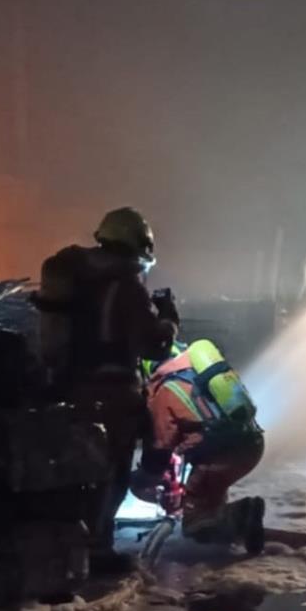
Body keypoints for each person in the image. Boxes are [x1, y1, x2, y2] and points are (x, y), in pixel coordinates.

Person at [37, 207, 178, 570]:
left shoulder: (80, 277)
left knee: (80, 469)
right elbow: (151, 344)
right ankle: (97, 550)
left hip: (72, 386)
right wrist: (167, 320)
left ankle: (69, 546)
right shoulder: (126, 285)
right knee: (110, 470)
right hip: (113, 390)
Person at [133, 338, 266, 552]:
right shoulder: (200, 372)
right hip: (252, 443)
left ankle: (243, 514)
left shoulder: (164, 391)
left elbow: (158, 454)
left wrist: (139, 481)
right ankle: (230, 523)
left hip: (220, 457)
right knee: (210, 493)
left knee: (196, 526)